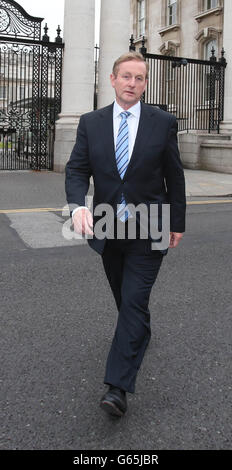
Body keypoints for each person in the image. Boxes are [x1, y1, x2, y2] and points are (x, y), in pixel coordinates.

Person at [65, 51, 186, 417]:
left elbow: (174, 176)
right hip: (106, 225)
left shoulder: (162, 122)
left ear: (145, 83)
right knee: (125, 298)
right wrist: (78, 206)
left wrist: (177, 222)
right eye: (126, 76)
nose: (133, 83)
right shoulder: (91, 122)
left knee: (133, 300)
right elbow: (76, 170)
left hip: (150, 226)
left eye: (140, 78)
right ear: (113, 80)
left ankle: (117, 387)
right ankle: (138, 334)